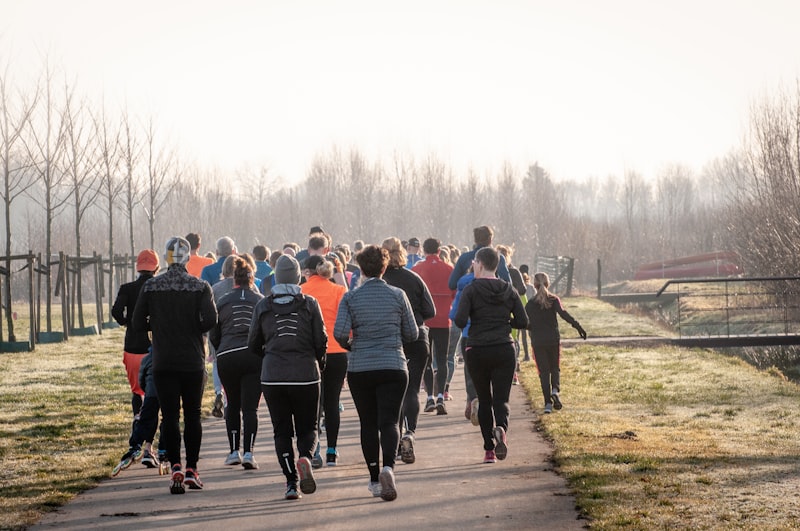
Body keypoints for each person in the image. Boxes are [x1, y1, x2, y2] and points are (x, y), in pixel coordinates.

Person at [131, 236, 217, 494]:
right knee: (192, 416)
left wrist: (156, 325)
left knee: (169, 416)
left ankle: (176, 466)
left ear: (166, 259)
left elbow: (136, 322)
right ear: (188, 258)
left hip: (164, 360)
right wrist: (194, 327)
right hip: (192, 360)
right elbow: (211, 320)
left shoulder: (151, 287)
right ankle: (192, 468)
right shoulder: (200, 286)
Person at [334, 245, 418, 501]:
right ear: (384, 268)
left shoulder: (351, 297)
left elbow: (339, 332)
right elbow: (412, 333)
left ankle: (373, 479)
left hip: (361, 367)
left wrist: (352, 346)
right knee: (390, 422)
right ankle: (388, 468)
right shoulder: (398, 295)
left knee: (368, 423)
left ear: (360, 268)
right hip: (393, 364)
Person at [248, 255, 327, 500]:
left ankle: (291, 482)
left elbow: (252, 343)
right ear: (297, 277)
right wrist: (318, 361)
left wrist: (268, 355)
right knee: (308, 427)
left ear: (276, 278)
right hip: (305, 374)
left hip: (273, 375)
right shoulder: (309, 303)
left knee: (281, 431)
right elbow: (320, 340)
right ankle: (305, 456)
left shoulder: (263, 305)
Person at [453, 246, 528, 464]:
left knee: (484, 400)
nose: (472, 266)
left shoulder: (471, 290)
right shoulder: (509, 290)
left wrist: (475, 320)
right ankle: (501, 429)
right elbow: (523, 322)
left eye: (474, 263)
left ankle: (488, 450)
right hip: (504, 347)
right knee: (501, 400)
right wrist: (505, 322)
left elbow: (459, 320)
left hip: (477, 349)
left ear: (481, 264)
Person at [380, 237, 435, 464]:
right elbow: (430, 310)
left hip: (391, 340)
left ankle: (394, 439)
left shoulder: (378, 281)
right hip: (418, 339)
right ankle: (410, 432)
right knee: (412, 388)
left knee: (392, 393)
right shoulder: (414, 278)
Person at [209, 256, 264, 469]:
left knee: (232, 403)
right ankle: (249, 453)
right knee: (250, 408)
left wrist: (221, 348)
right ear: (252, 279)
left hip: (227, 355)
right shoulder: (259, 300)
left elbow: (214, 333)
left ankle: (234, 451)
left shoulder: (222, 301)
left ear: (234, 280)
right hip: (252, 355)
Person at [300, 255, 347, 467]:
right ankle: (332, 451)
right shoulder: (339, 291)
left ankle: (315, 449)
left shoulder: (302, 291)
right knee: (332, 402)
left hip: (310, 353)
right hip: (337, 351)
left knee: (312, 404)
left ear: (309, 271)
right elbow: (347, 323)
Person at [111, 248, 160, 453]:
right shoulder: (158, 288)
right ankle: (149, 446)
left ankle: (137, 418)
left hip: (131, 346)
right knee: (153, 396)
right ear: (156, 268)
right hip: (153, 347)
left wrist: (127, 323)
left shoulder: (126, 288)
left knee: (136, 391)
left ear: (138, 268)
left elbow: (115, 311)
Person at [525, 272, 587, 414]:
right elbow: (564, 314)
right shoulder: (553, 300)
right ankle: (555, 390)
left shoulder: (530, 304)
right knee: (555, 368)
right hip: (553, 339)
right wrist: (578, 327)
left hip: (538, 341)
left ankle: (547, 403)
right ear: (548, 284)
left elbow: (525, 322)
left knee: (544, 372)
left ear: (534, 285)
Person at [412, 238, 455, 412]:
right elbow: (454, 293)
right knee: (442, 359)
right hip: (444, 319)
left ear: (423, 250)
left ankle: (429, 396)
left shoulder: (417, 269)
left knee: (426, 360)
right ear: (439, 250)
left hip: (425, 320)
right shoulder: (449, 269)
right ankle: (440, 397)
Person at [448, 225, 510, 290]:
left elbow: (452, 284)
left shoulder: (464, 258)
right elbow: (507, 284)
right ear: (490, 240)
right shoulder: (499, 258)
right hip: (492, 297)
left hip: (469, 297)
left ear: (475, 240)